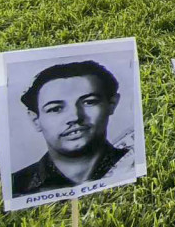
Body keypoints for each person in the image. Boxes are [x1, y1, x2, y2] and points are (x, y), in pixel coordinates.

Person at [10, 60, 130, 196]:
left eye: (89, 102)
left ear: (112, 104)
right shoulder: (14, 186)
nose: (74, 117)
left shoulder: (134, 165)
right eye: (55, 109)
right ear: (35, 120)